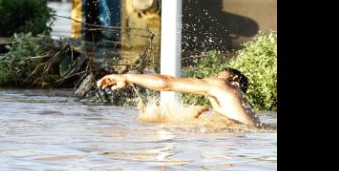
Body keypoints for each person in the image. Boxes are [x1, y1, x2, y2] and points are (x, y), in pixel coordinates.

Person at [96, 68, 262, 127]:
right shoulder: (240, 110)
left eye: (219, 76)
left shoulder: (222, 86)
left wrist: (127, 77)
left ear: (235, 83)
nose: (214, 79)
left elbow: (167, 83)